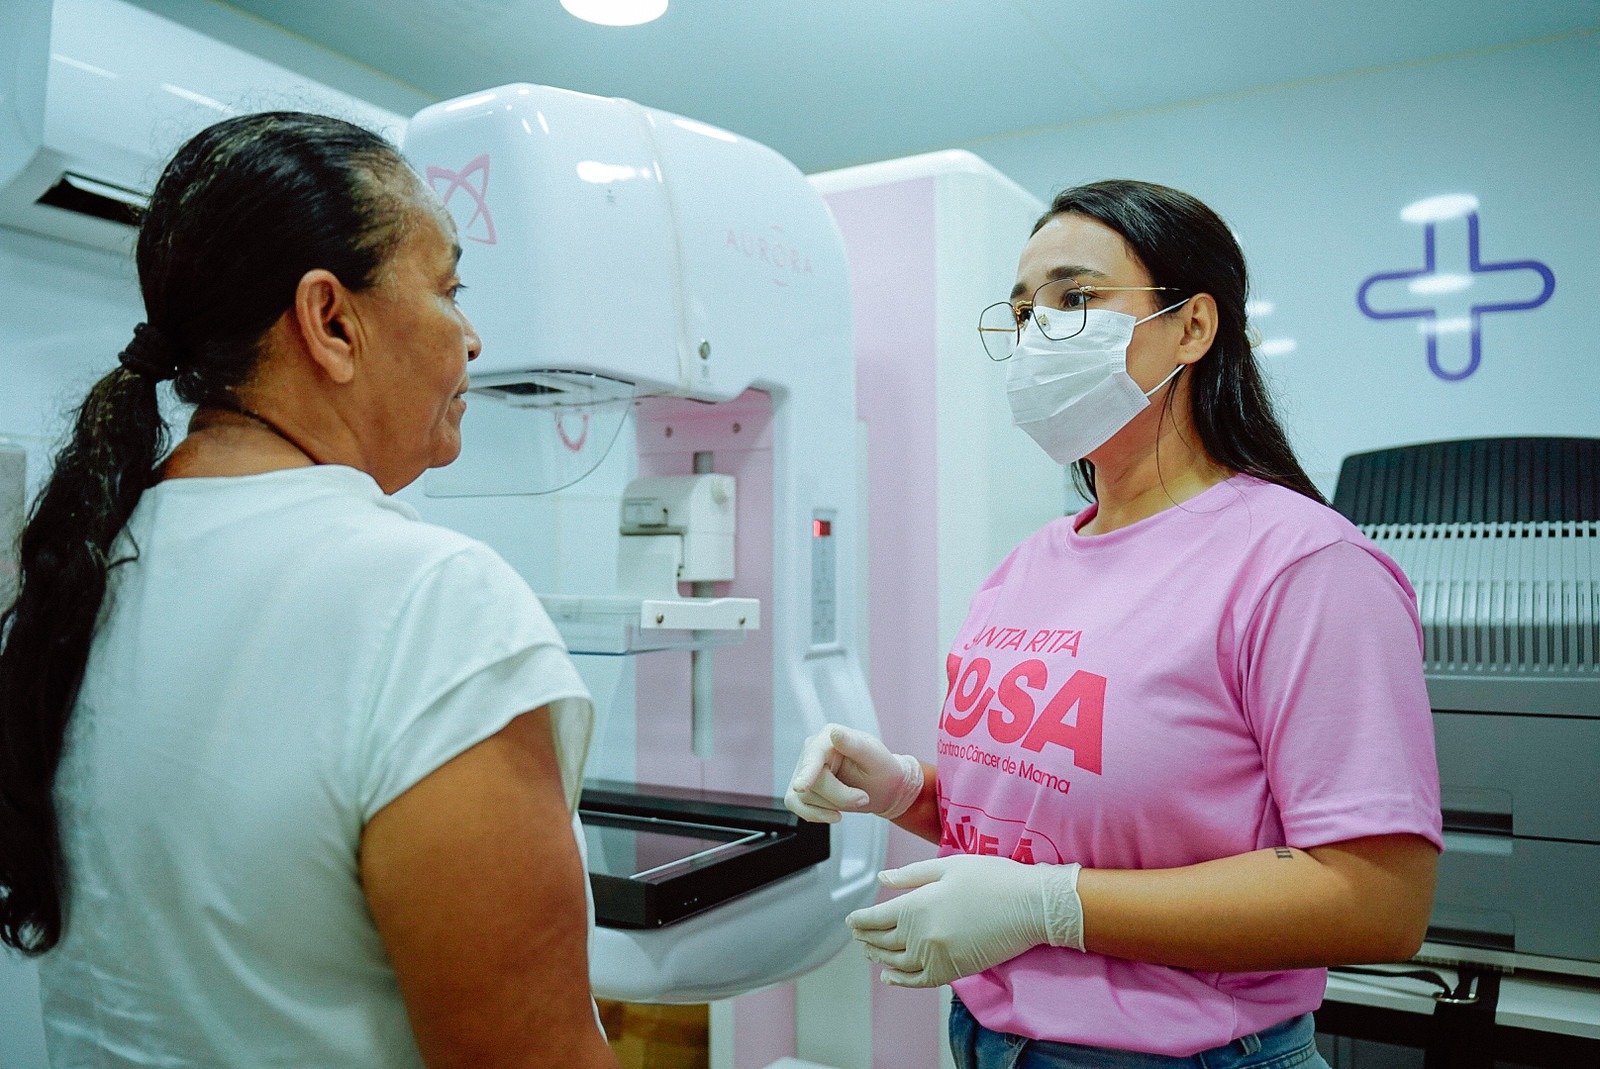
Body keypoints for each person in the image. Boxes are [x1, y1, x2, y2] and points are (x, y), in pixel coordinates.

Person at [0, 112, 617, 1068]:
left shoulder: (85, 571)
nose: (471, 337)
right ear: (331, 321)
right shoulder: (430, 604)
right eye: (448, 289)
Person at [786, 179, 1441, 1068]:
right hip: (989, 1040)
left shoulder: (1303, 565)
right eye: (1024, 312)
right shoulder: (1029, 564)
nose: (1037, 334)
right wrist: (904, 788)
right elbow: (1053, 823)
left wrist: (1049, 908)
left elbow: (1375, 900)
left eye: (1076, 299)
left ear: (1192, 326)